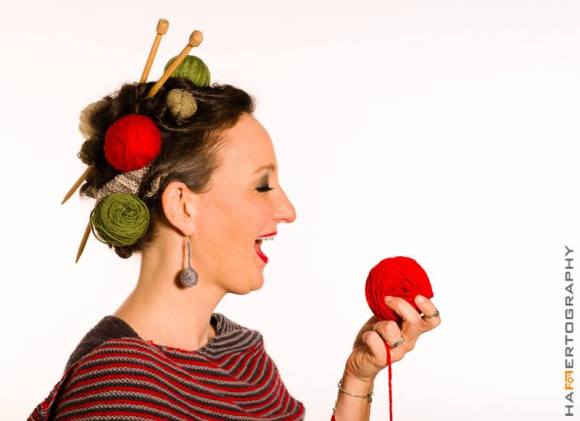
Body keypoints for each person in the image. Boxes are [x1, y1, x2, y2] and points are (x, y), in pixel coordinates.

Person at [28, 25, 441, 421]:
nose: (288, 210)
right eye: (262, 186)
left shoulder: (242, 354)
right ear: (183, 206)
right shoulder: (115, 390)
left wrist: (358, 377)